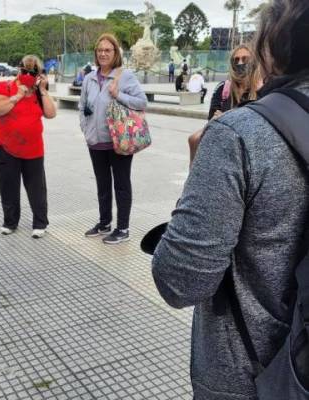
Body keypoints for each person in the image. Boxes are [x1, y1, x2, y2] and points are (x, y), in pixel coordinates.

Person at [152, 0, 309, 398]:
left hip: (250, 375)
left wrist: (197, 179)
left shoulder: (239, 135)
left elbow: (179, 281)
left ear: (273, 49)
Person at [79, 33, 147, 244]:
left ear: (115, 53)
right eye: (100, 50)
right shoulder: (89, 78)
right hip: (95, 141)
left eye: (108, 50)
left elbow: (142, 102)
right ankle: (105, 222)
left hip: (119, 142)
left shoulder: (124, 76)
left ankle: (123, 228)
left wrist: (119, 95)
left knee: (121, 184)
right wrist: (85, 128)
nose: (103, 53)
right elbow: (82, 106)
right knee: (102, 184)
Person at [0, 55, 56, 238]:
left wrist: (43, 90)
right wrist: (17, 96)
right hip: (5, 147)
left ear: (38, 74)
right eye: (24, 70)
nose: (27, 74)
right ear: (18, 70)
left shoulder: (38, 92)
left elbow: (51, 114)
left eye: (32, 71)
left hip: (33, 149)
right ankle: (10, 222)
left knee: (37, 188)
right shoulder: (6, 87)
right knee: (8, 186)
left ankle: (40, 222)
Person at [188, 45, 262, 163]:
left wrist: (225, 117)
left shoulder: (261, 90)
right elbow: (212, 121)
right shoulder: (223, 89)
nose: (240, 63)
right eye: (236, 60)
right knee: (194, 139)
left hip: (252, 149)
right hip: (224, 146)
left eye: (245, 59)